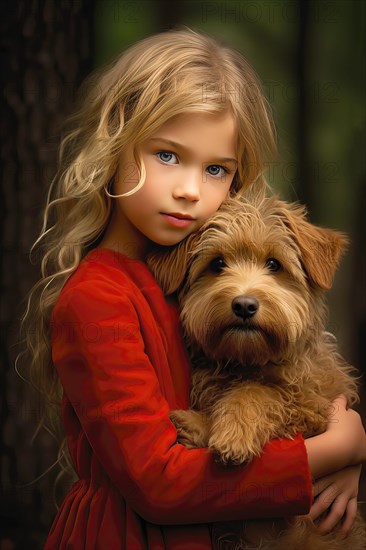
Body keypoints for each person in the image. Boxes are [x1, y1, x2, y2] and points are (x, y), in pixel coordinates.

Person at [17, 27, 365, 549]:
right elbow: (160, 482)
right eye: (167, 155)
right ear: (115, 143)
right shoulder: (98, 298)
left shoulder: (187, 275)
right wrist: (336, 451)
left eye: (216, 169)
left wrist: (346, 448)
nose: (188, 189)